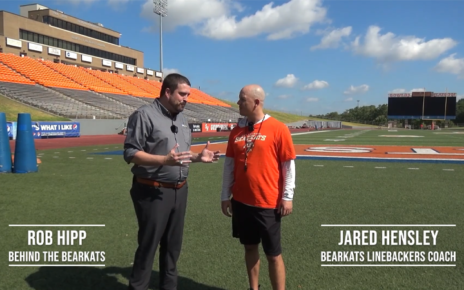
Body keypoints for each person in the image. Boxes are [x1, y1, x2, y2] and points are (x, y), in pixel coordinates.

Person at [123, 73, 221, 290]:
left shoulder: (182, 118)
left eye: (188, 95)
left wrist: (197, 157)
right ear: (167, 92)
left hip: (180, 190)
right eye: (182, 94)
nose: (186, 99)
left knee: (172, 248)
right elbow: (130, 153)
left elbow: (180, 156)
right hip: (152, 190)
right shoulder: (143, 115)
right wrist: (163, 160)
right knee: (148, 246)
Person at [220, 84, 296, 290]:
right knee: (249, 247)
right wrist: (225, 195)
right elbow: (229, 165)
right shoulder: (236, 131)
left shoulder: (279, 128)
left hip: (268, 203)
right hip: (241, 202)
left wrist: (287, 196)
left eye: (241, 99)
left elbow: (288, 166)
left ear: (256, 102)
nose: (237, 102)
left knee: (273, 254)